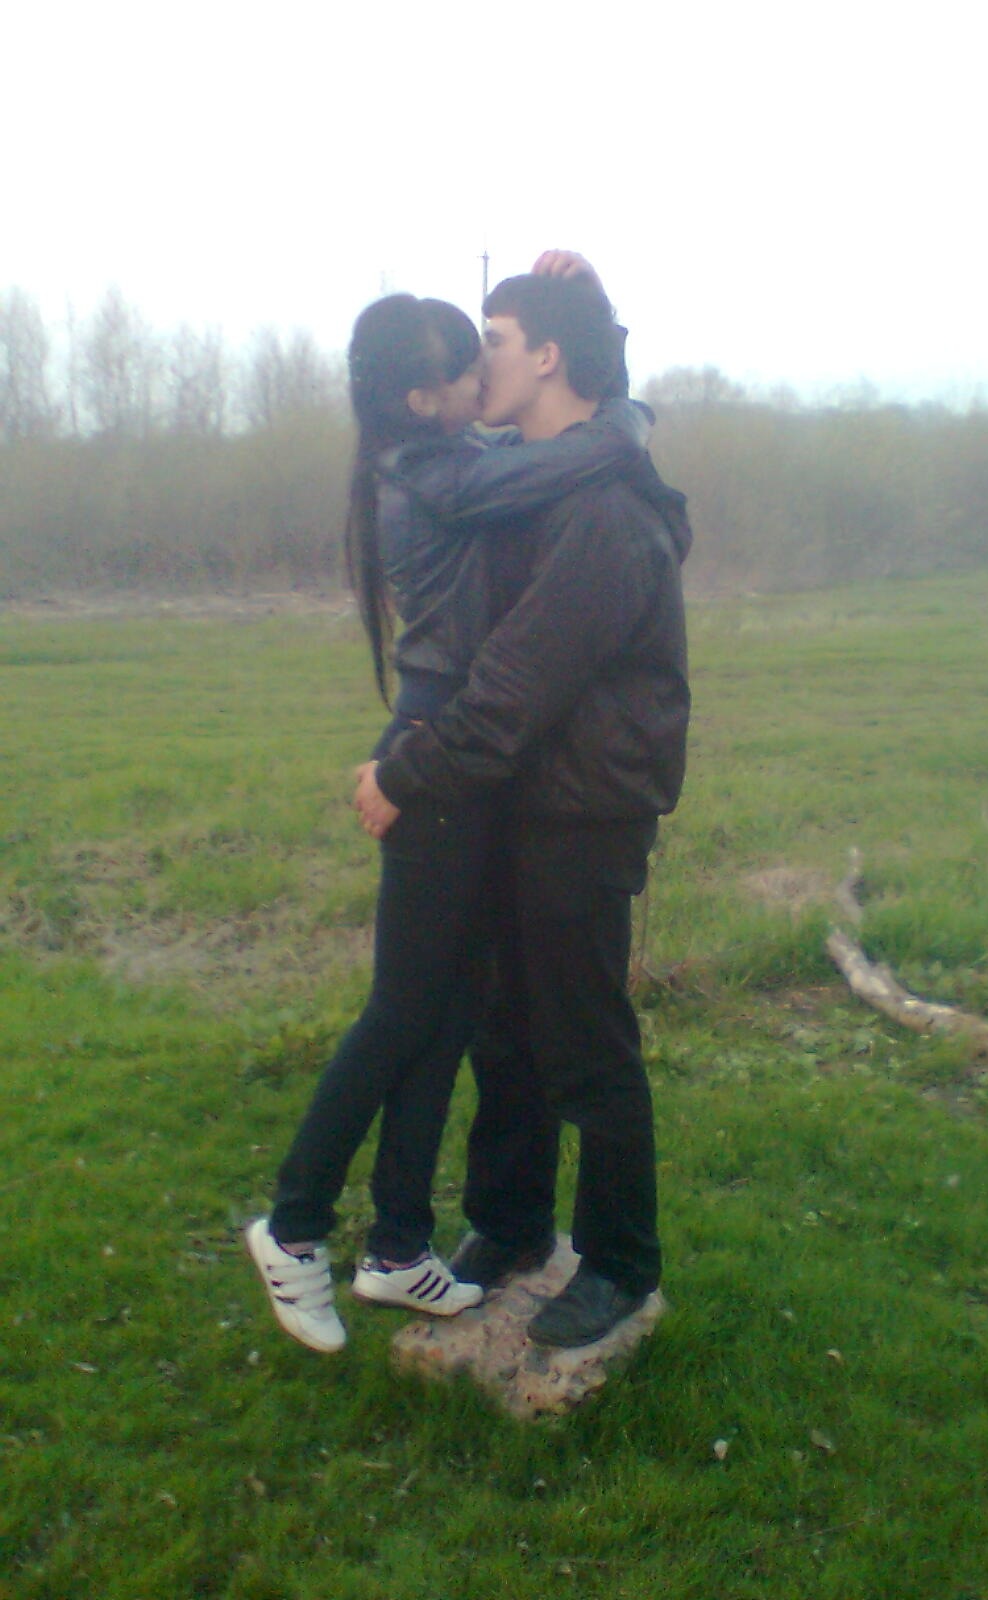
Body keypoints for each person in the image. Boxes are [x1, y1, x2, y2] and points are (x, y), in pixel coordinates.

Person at [246, 282, 650, 1353]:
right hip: (438, 750)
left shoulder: (453, 453)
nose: (485, 374)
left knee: (456, 1003)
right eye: (469, 364)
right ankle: (293, 1225)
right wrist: (628, 418)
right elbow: (588, 449)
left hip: (464, 757)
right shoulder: (441, 475)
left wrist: (599, 334)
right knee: (405, 1008)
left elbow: (573, 437)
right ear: (424, 399)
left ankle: (396, 1247)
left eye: (491, 349)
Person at [354, 269, 691, 1348]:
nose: (477, 358)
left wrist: (405, 771)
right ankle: (508, 1224)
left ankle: (621, 1262)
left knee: (583, 1040)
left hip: (583, 806)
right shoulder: (527, 478)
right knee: (505, 1030)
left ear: (545, 357)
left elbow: (516, 681)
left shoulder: (604, 509)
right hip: (513, 793)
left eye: (495, 337)